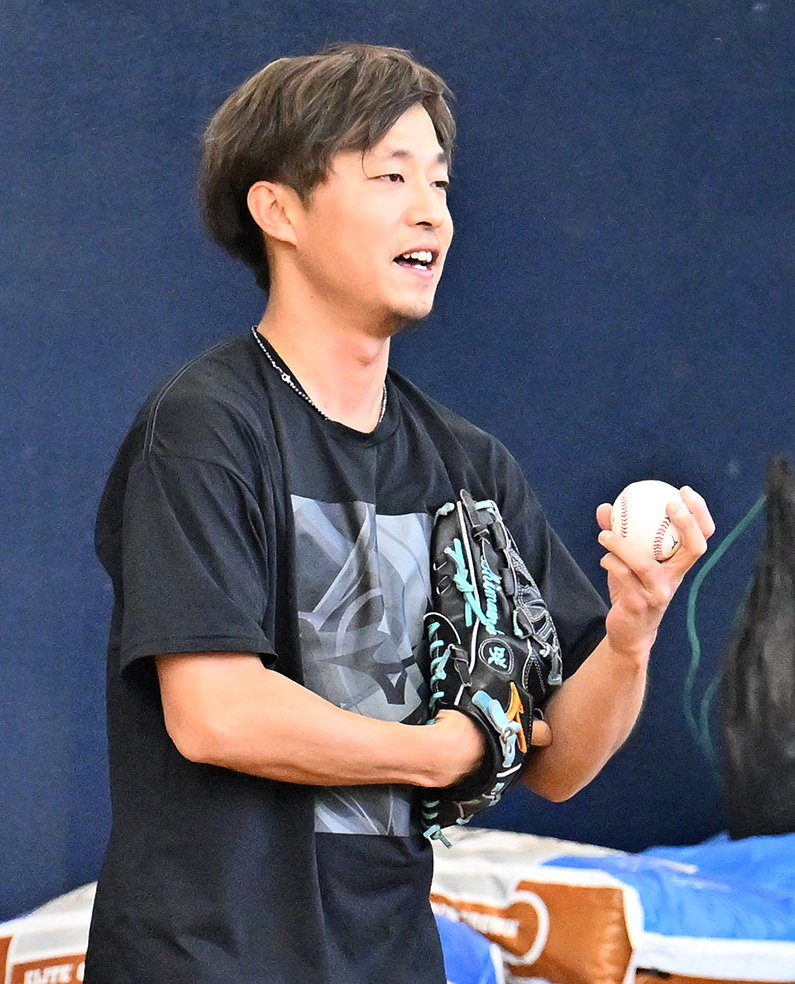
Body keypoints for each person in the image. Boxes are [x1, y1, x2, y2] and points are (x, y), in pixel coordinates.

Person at [84, 42, 714, 984]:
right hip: (206, 963)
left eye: (440, 183)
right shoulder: (204, 426)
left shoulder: (466, 464)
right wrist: (437, 753)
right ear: (278, 209)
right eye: (390, 176)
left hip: (390, 959)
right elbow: (216, 712)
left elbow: (559, 764)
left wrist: (632, 630)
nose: (431, 212)